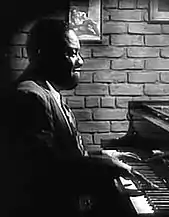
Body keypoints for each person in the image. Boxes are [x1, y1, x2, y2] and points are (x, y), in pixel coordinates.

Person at [3, 18, 156, 217]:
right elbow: (47, 170)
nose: (81, 61)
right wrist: (108, 166)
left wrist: (106, 157)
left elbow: (61, 153)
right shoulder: (29, 96)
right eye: (72, 53)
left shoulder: (46, 91)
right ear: (42, 54)